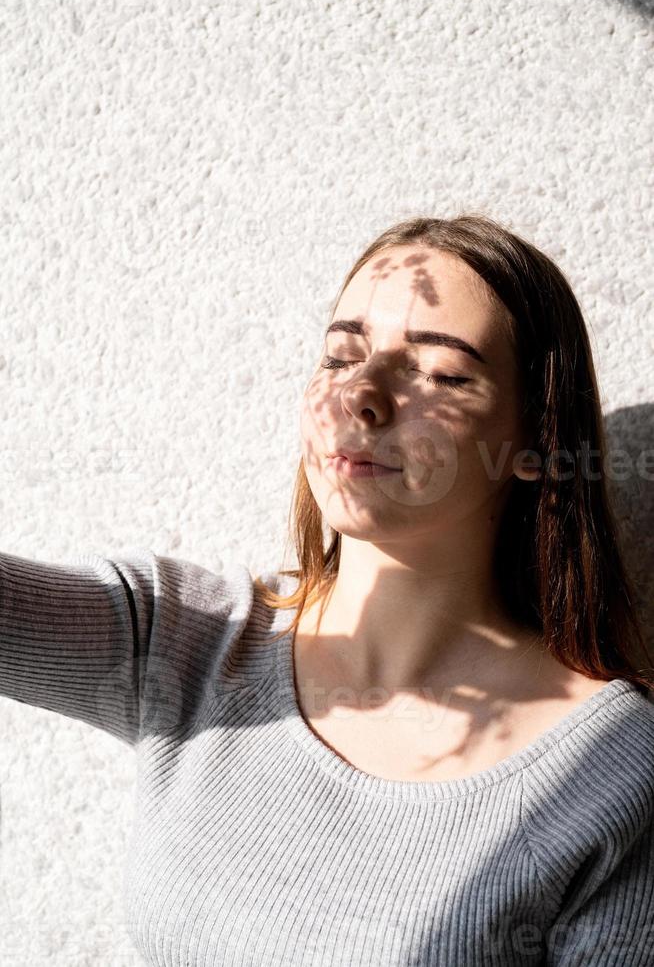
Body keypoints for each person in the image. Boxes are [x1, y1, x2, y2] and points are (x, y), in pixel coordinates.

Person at [1, 213, 653, 966]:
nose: (362, 396)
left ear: (537, 443)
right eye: (341, 356)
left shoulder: (611, 771)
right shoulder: (184, 639)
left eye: (440, 374)